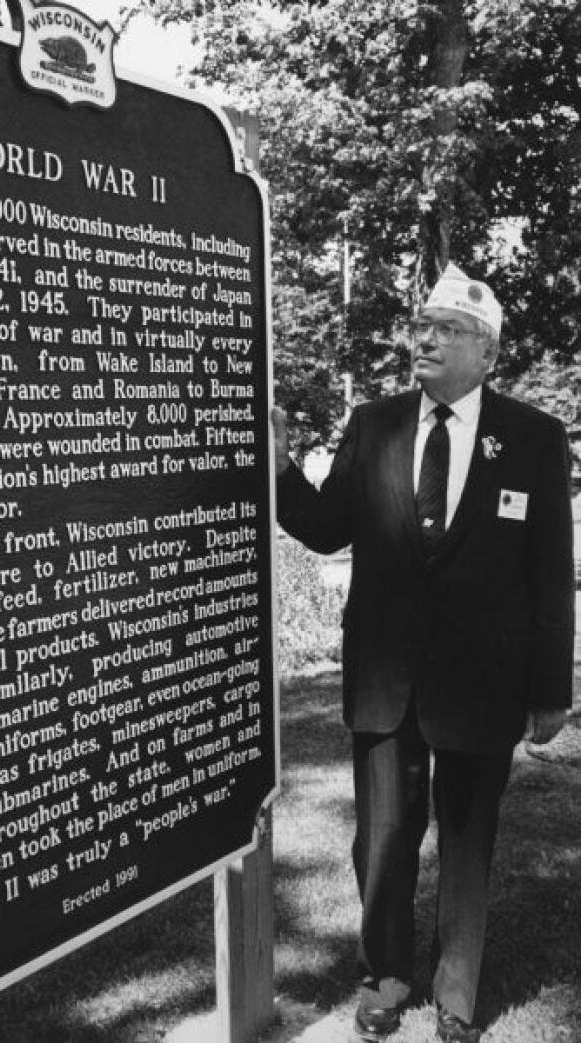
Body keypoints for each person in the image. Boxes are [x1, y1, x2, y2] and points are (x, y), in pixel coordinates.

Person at [272, 263, 574, 1043]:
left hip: (485, 682)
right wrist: (278, 468)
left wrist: (551, 689)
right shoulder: (374, 424)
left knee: (468, 844)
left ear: (488, 351)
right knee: (381, 840)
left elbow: (551, 574)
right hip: (386, 677)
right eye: (422, 326)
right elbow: (327, 527)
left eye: (449, 330)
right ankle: (385, 975)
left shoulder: (535, 438)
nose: (426, 339)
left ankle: (457, 992)